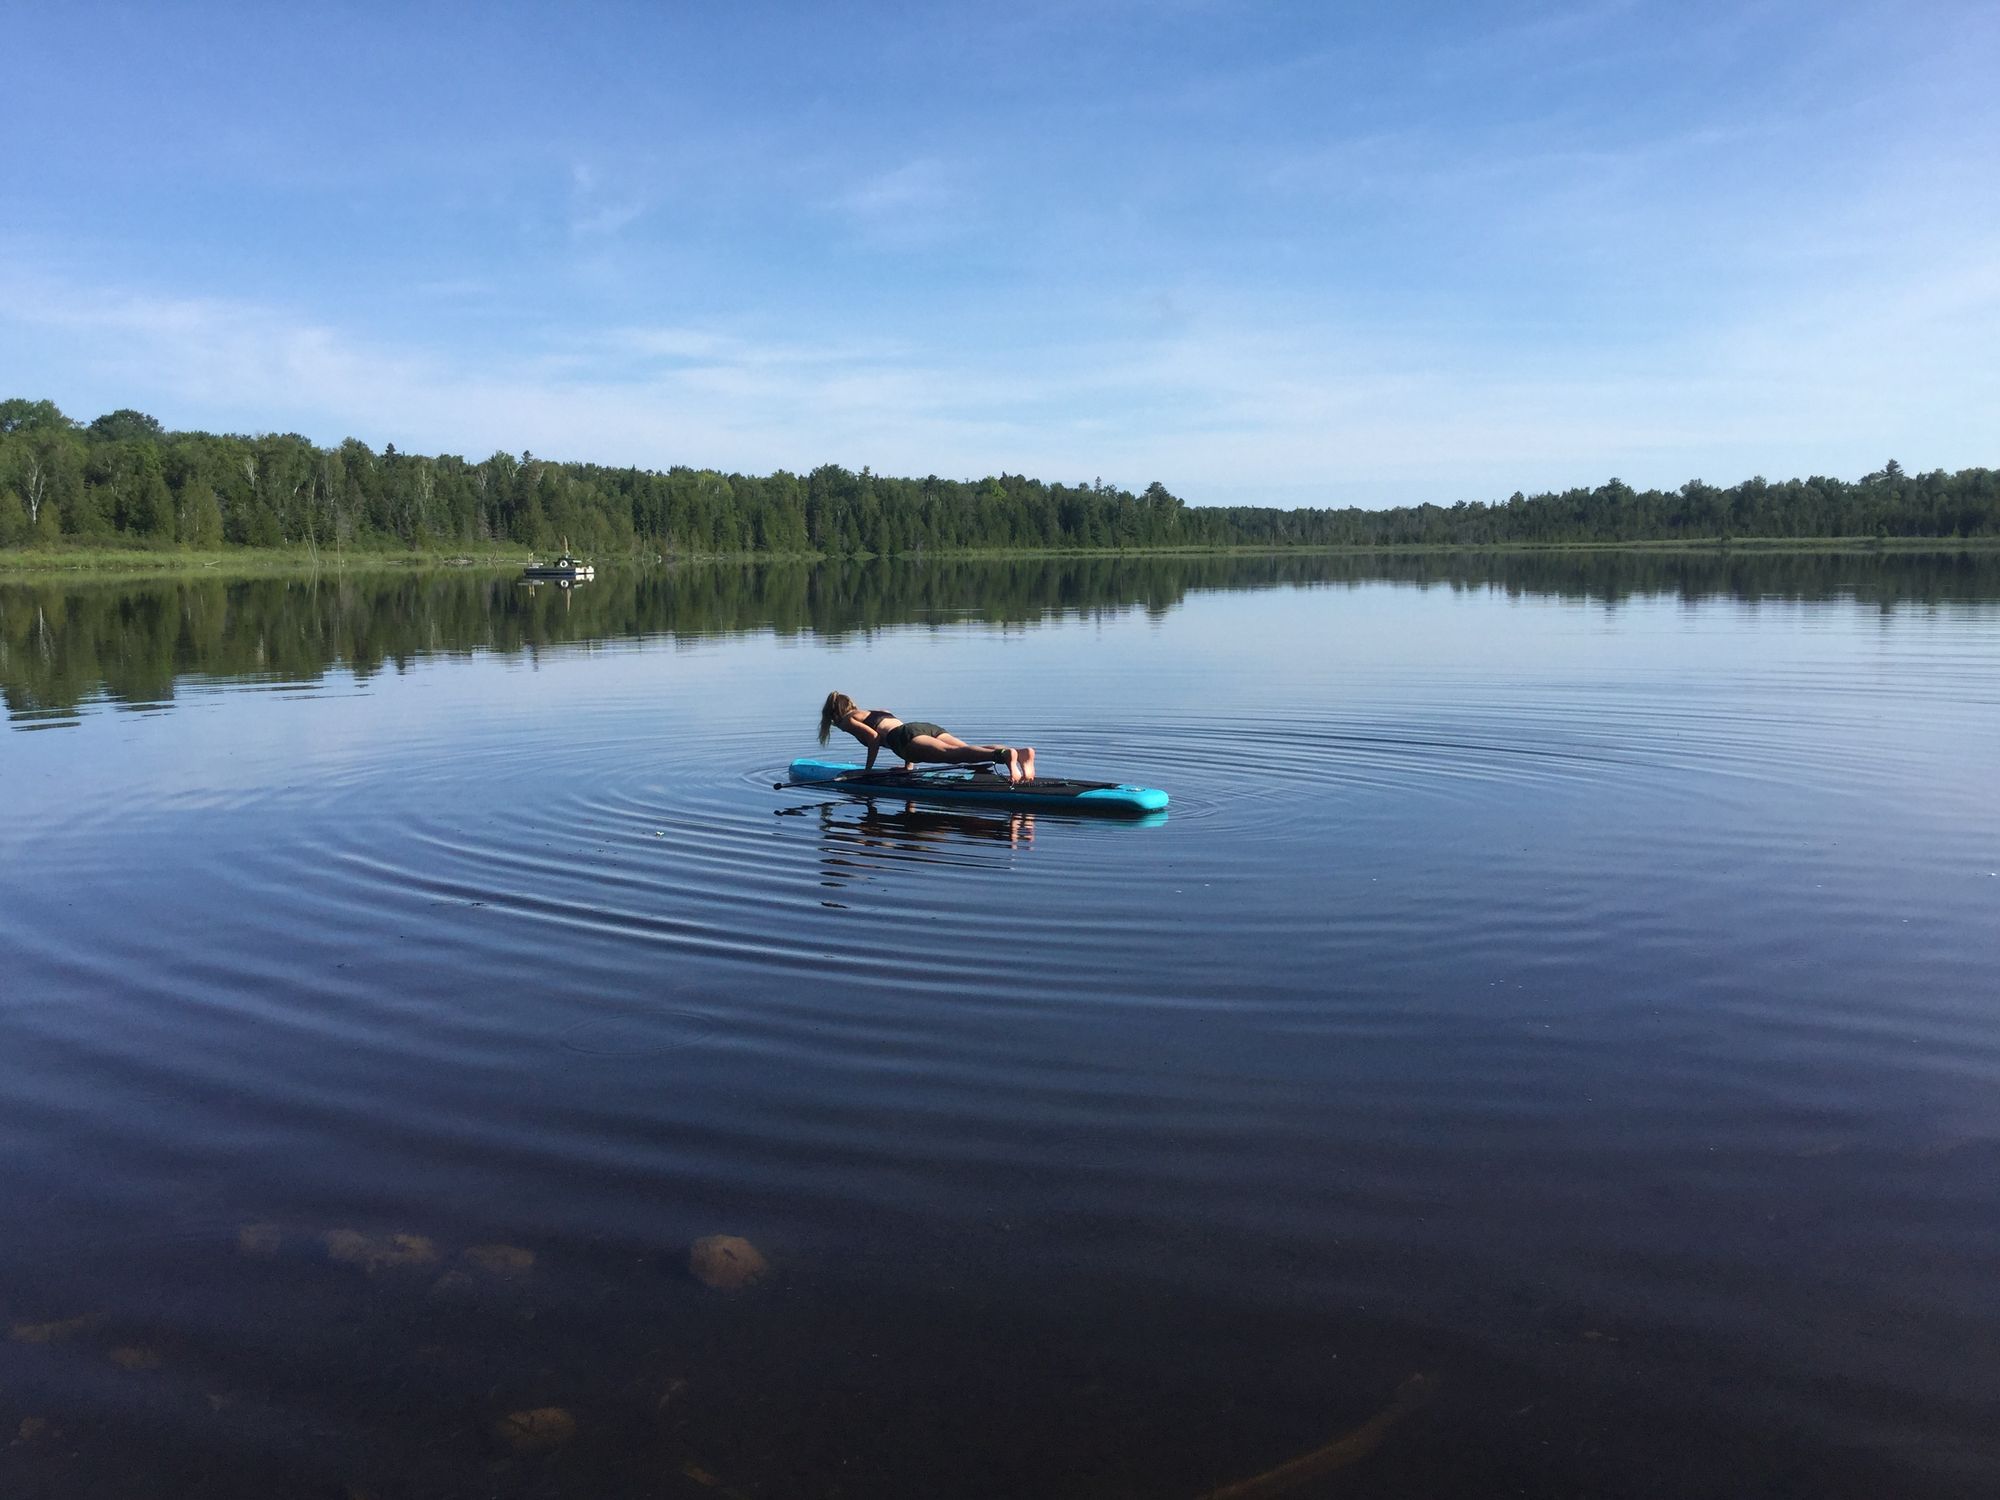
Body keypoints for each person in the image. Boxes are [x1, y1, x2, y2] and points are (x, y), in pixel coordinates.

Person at [818, 691, 1037, 782]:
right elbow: (894, 728)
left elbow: (875, 738)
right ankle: (1019, 753)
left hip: (905, 738)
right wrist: (908, 768)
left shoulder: (847, 720)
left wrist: (867, 772)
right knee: (965, 751)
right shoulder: (875, 710)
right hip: (922, 727)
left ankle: (1004, 756)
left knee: (954, 755)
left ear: (834, 714)